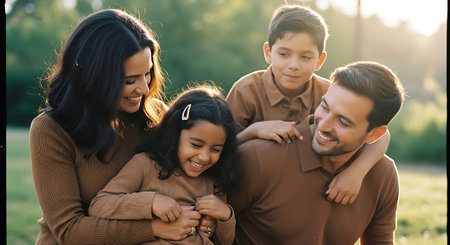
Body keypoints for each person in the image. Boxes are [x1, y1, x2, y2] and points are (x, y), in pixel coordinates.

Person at [29, 9, 211, 244]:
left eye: (147, 74)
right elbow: (69, 231)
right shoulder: (50, 130)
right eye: (129, 80)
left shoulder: (155, 115)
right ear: (95, 77)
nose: (145, 89)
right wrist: (153, 228)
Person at [225, 4, 390, 204]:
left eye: (305, 57)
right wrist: (254, 131)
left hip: (307, 190)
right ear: (268, 52)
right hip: (250, 189)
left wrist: (356, 172)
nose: (293, 65)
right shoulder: (246, 91)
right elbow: (220, 148)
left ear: (319, 60)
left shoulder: (328, 92)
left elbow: (380, 135)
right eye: (284, 54)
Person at [229, 61, 405, 244]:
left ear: (374, 133)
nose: (324, 125)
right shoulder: (259, 157)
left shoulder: (383, 175)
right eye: (325, 107)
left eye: (343, 122)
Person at [89, 85, 239, 245]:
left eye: (216, 149)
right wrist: (152, 202)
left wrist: (224, 216)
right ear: (175, 134)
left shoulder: (214, 182)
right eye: (196, 145)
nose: (204, 157)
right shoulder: (145, 165)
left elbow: (224, 241)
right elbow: (99, 206)